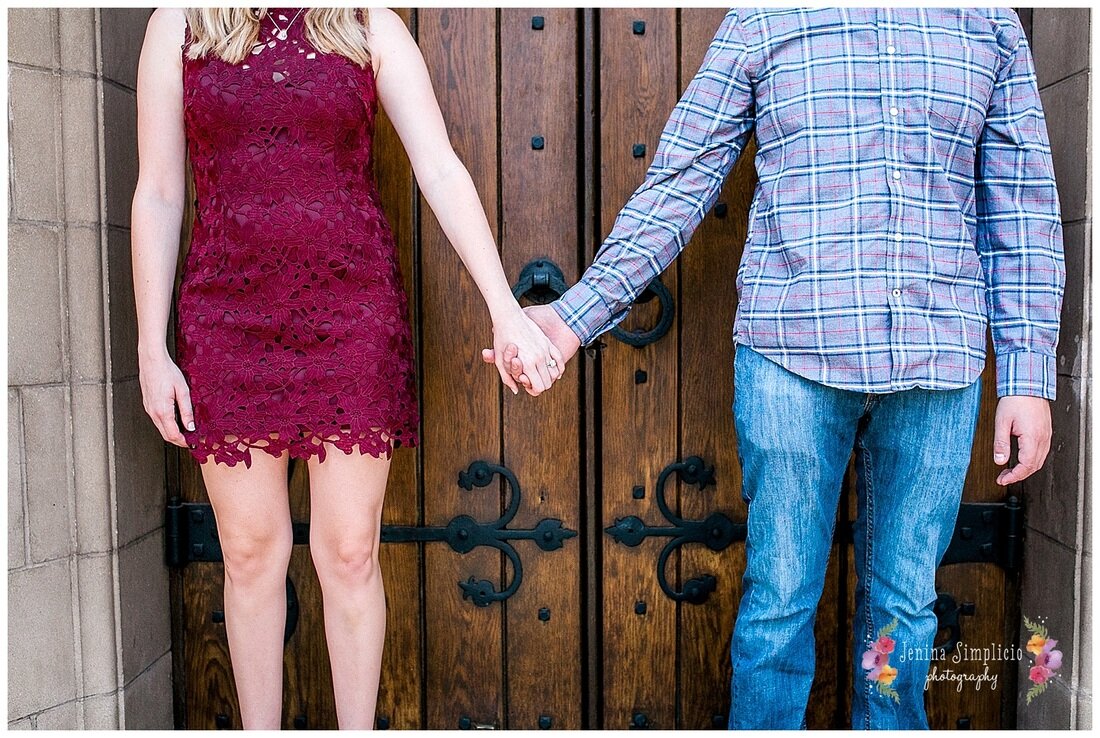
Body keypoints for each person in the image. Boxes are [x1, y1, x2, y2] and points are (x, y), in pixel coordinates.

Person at [486, 7, 1064, 729]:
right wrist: (572, 320)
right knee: (779, 604)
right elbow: (681, 181)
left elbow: (1022, 207)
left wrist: (1028, 373)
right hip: (792, 355)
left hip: (937, 362)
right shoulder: (768, 16)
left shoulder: (988, 22)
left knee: (906, 612)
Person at [132, 7, 561, 729]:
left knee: (352, 552)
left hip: (351, 312)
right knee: (247, 551)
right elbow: (160, 191)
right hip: (226, 316)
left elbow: (440, 169)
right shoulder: (180, 21)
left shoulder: (366, 22)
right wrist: (151, 346)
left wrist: (505, 308)